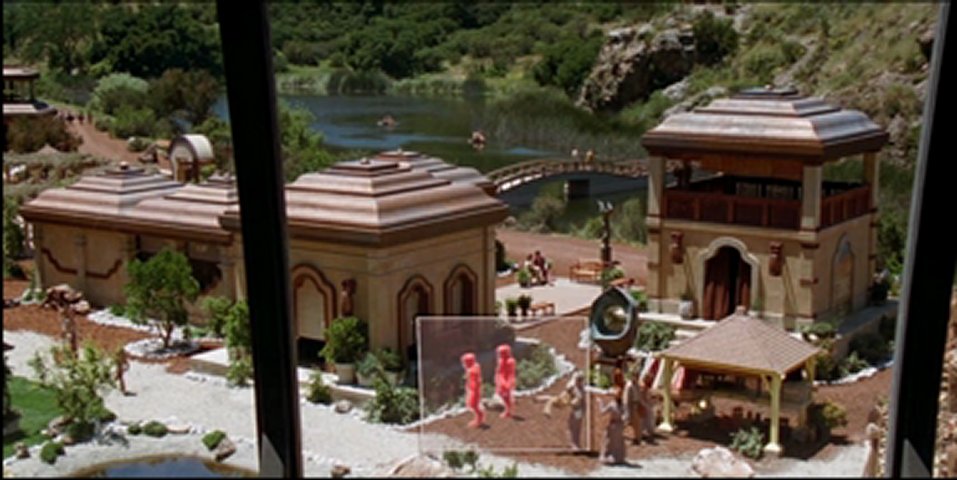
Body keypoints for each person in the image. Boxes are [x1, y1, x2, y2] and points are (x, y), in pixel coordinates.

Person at [598, 386, 627, 464]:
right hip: (620, 425)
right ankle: (619, 457)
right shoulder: (623, 404)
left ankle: (609, 456)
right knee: (618, 441)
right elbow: (626, 415)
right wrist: (623, 421)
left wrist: (600, 403)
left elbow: (602, 411)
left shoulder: (612, 404)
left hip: (613, 425)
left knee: (608, 440)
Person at [461, 352, 485, 428]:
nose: (463, 364)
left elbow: (474, 382)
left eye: (464, 362)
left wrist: (472, 391)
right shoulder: (475, 367)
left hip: (474, 390)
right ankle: (479, 419)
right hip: (473, 389)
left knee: (474, 405)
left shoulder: (471, 370)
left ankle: (479, 420)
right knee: (474, 405)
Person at [495, 344, 516, 418]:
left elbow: (511, 373)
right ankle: (508, 407)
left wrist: (508, 383)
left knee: (506, 395)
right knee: (501, 394)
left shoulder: (510, 361)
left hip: (506, 381)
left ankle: (508, 410)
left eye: (501, 353)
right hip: (501, 380)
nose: (499, 355)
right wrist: (498, 379)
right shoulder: (501, 361)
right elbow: (499, 371)